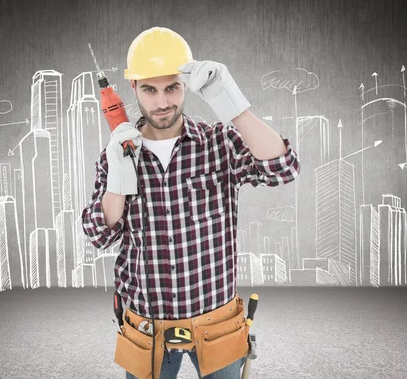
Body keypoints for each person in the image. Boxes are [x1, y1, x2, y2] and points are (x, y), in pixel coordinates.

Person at [82, 26, 301, 379]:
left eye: (172, 87)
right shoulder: (117, 155)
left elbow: (284, 168)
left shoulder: (220, 142)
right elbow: (99, 235)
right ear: (133, 87)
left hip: (217, 325)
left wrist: (234, 105)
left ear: (186, 85)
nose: (162, 101)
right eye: (150, 89)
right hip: (146, 330)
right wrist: (117, 181)